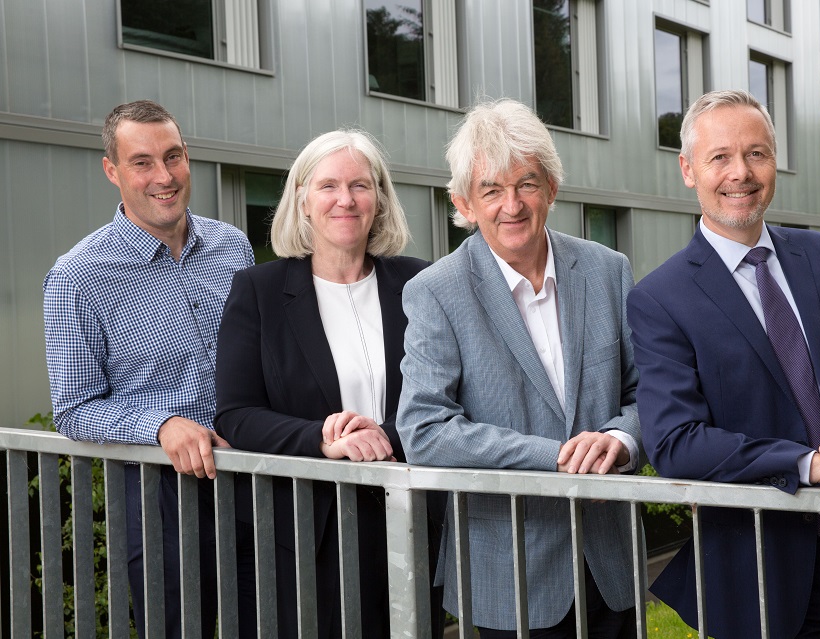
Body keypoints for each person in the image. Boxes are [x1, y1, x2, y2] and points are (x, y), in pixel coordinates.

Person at [627, 89, 820, 638]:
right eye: (719, 156)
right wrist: (809, 464)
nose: (740, 173)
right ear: (688, 170)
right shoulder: (660, 298)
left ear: (774, 162)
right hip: (754, 572)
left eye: (757, 153)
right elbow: (675, 440)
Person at [397, 98, 641, 639]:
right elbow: (424, 431)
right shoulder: (436, 292)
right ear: (464, 202)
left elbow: (649, 393)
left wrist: (622, 439)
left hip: (611, 561)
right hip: (507, 571)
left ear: (551, 188)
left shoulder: (608, 271)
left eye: (527, 183)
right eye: (491, 190)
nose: (512, 205)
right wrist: (554, 458)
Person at [214, 129, 445, 638]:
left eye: (361, 185)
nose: (346, 199)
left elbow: (451, 398)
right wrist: (324, 438)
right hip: (304, 534)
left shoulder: (420, 283)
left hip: (407, 519)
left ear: (379, 199)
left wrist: (383, 434)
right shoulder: (260, 290)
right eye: (328, 186)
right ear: (303, 199)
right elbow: (235, 413)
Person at [42, 100, 255, 638]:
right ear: (112, 170)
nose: (164, 177)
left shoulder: (232, 246)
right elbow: (74, 409)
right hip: (158, 493)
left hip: (255, 475)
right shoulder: (78, 277)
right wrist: (158, 426)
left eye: (174, 156)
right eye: (142, 162)